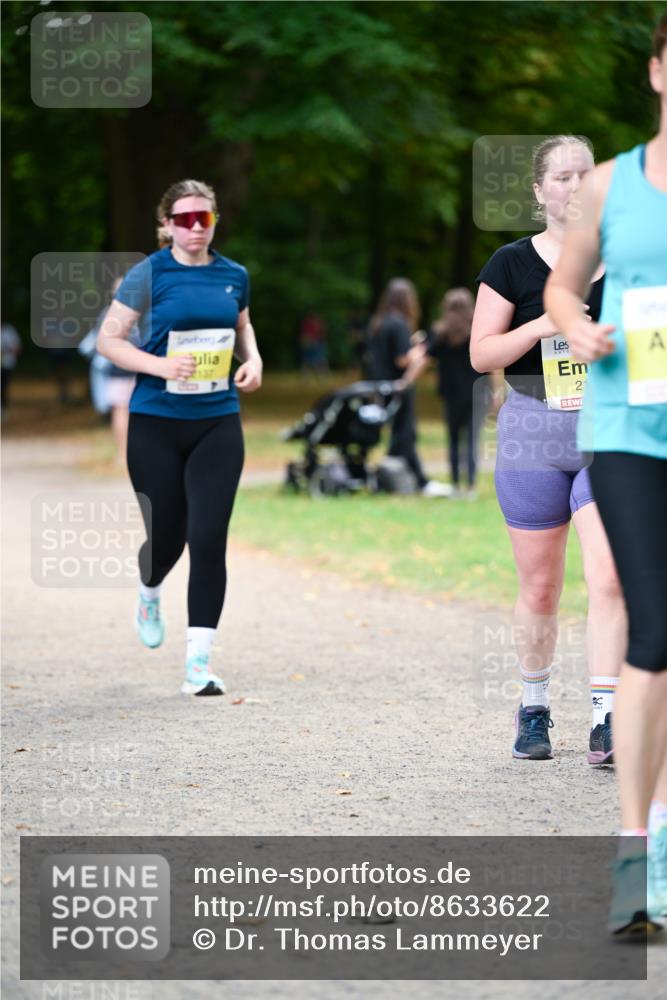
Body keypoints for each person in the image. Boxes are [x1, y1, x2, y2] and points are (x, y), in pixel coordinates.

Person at [544, 16, 667, 935]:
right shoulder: (611, 183)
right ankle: (635, 851)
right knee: (653, 623)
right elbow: (562, 282)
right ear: (658, 72)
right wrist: (576, 325)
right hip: (628, 425)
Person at [470, 136, 626, 764]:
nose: (574, 185)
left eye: (584, 175)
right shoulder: (511, 263)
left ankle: (606, 716)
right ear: (539, 192)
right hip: (534, 430)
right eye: (561, 176)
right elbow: (483, 355)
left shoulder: (630, 260)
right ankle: (534, 707)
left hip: (609, 431)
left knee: (609, 575)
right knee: (540, 587)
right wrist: (543, 323)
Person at [96, 178, 262, 696]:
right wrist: (161, 366)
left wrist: (252, 360)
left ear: (215, 221)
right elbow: (109, 340)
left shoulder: (234, 275)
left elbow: (241, 327)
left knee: (208, 538)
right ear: (166, 224)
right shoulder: (148, 274)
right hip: (156, 422)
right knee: (167, 536)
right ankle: (149, 589)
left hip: (217, 420)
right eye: (184, 219)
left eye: (204, 218)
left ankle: (198, 664)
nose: (195, 228)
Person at [366, 278, 449, 497]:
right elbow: (402, 360)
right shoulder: (399, 323)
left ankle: (403, 477)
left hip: (381, 385)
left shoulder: (379, 322)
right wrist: (422, 349)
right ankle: (418, 481)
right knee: (405, 433)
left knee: (401, 434)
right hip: (399, 386)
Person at [426, 288, 487, 499]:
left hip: (450, 393)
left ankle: (454, 484)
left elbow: (427, 356)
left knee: (452, 439)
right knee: (472, 440)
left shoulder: (440, 333)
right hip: (477, 392)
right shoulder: (477, 331)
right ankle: (470, 486)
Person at [79, 276, 137, 466]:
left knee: (121, 411)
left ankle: (122, 454)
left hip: (118, 369)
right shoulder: (146, 313)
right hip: (144, 369)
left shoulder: (108, 313)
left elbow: (98, 343)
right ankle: (132, 453)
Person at [1, 321, 22, 411]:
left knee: (3, 385)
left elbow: (17, 348)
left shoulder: (9, 331)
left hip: (7, 363)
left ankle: (3, 405)